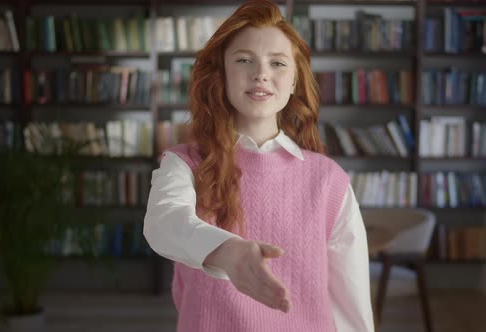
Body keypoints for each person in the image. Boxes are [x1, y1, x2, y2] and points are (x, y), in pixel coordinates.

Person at [143, 1, 374, 331]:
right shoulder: (184, 164)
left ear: (294, 81)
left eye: (277, 63)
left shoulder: (328, 180)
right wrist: (228, 253)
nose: (261, 73)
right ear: (221, 74)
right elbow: (164, 223)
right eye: (244, 60)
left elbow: (352, 303)